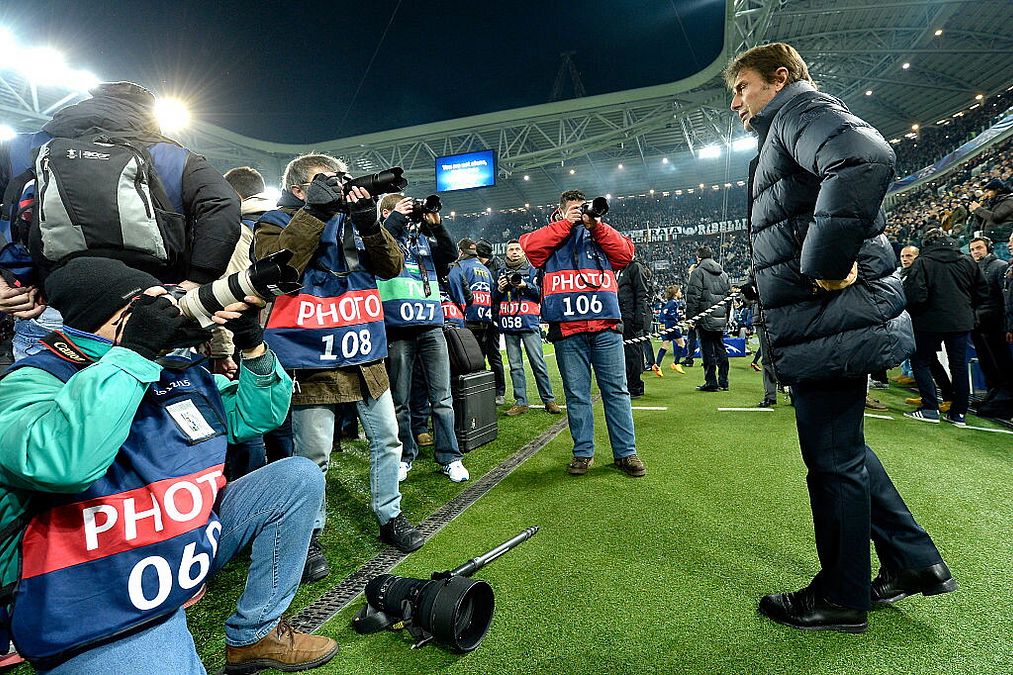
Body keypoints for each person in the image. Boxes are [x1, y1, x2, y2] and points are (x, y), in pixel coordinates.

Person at [0, 257, 337, 673]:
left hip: (172, 540)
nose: (168, 314)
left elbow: (257, 417)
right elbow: (63, 464)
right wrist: (134, 353)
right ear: (110, 319)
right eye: (150, 307)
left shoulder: (171, 369)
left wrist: (252, 345)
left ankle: (255, 633)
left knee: (295, 479)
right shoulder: (28, 382)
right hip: (95, 582)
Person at [725, 42, 955, 633]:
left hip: (832, 319)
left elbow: (863, 156)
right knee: (843, 450)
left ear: (780, 77)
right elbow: (797, 219)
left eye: (743, 87)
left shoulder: (800, 113)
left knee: (831, 460)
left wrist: (825, 262)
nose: (737, 102)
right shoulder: (787, 127)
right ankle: (913, 562)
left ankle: (841, 596)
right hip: (828, 321)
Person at [253, 154, 424, 585]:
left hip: (363, 351)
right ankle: (308, 535)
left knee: (388, 439)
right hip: (310, 359)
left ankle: (391, 515)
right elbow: (276, 267)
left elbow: (391, 267)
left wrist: (370, 223)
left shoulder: (353, 220)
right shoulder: (273, 220)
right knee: (314, 456)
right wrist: (315, 213)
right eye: (324, 183)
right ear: (299, 191)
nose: (338, 187)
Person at [0, 81, 240, 359]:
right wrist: (198, 280)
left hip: (48, 310)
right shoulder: (175, 157)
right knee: (157, 399)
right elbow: (224, 203)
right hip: (151, 309)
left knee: (45, 399)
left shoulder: (20, 148)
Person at [520, 190, 646, 478]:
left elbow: (626, 254)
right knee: (577, 395)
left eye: (583, 208)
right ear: (561, 210)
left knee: (616, 391)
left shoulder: (599, 232)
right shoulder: (552, 233)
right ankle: (583, 453)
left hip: (605, 326)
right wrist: (566, 224)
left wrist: (597, 225)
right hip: (567, 328)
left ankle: (626, 453)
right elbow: (531, 249)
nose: (581, 212)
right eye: (575, 208)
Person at [377, 193, 469, 483]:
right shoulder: (380, 237)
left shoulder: (422, 240)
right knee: (400, 400)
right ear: (387, 214)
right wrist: (395, 219)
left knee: (442, 398)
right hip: (397, 328)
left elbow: (450, 254)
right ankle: (404, 456)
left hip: (431, 326)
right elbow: (374, 250)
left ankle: (450, 457)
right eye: (399, 210)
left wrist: (436, 225)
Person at [902, 228, 988, 425]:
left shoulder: (923, 262)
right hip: (961, 321)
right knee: (958, 367)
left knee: (921, 361)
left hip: (929, 322)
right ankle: (959, 414)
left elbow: (917, 295)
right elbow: (982, 292)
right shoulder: (967, 261)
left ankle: (930, 408)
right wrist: (966, 308)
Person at [494, 240, 560, 414]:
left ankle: (549, 400)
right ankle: (521, 402)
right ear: (506, 253)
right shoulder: (500, 272)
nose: (514, 252)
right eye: (511, 250)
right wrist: (500, 290)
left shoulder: (532, 270)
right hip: (509, 324)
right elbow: (494, 299)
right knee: (515, 365)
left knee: (537, 362)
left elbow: (541, 294)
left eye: (517, 249)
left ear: (523, 252)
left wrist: (525, 285)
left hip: (529, 323)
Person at [448, 239, 500, 401]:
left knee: (463, 364)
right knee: (480, 361)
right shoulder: (485, 270)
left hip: (467, 321)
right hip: (485, 321)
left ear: (461, 252)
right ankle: (485, 396)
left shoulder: (461, 267)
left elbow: (458, 293)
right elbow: (493, 295)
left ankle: (467, 399)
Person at [968, 236, 1012, 398]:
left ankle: (1003, 397)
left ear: (988, 248)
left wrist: (1007, 324)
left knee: (1000, 362)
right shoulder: (972, 269)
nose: (975, 252)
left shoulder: (999, 266)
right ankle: (991, 394)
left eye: (979, 248)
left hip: (995, 324)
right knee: (986, 362)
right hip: (977, 323)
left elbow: (1006, 297)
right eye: (972, 249)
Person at [685, 246, 731, 392]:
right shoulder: (723, 274)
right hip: (720, 317)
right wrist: (726, 316)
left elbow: (693, 297)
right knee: (720, 348)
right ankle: (723, 381)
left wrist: (690, 318)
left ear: (698, 258)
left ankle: (711, 382)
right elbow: (728, 299)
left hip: (704, 318)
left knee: (707, 350)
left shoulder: (698, 273)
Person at [617, 255, 655, 399]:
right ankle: (630, 383)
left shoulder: (634, 267)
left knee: (632, 351)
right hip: (622, 314)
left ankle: (635, 386)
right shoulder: (621, 268)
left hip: (630, 316)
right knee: (628, 351)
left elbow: (642, 294)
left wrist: (639, 316)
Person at [475, 239, 507, 404]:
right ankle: (484, 390)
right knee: (478, 356)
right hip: (479, 317)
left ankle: (499, 391)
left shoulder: (498, 269)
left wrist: (494, 315)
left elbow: (499, 294)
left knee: (493, 356)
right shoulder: (486, 267)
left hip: (492, 318)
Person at [653, 285, 686, 375]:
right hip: (671, 326)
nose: (681, 293)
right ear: (675, 293)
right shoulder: (673, 303)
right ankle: (676, 363)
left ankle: (657, 365)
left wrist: (681, 318)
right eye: (679, 291)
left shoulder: (673, 302)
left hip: (669, 324)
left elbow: (672, 314)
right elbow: (664, 312)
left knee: (665, 344)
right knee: (681, 343)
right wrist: (662, 323)